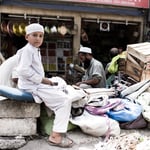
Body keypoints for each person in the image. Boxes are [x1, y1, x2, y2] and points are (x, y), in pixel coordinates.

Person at [15, 23, 73, 148]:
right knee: (65, 101)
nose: (38, 38)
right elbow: (23, 70)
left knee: (60, 84)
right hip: (32, 86)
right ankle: (55, 137)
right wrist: (44, 81)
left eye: (40, 36)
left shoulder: (33, 49)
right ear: (27, 37)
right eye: (34, 35)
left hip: (35, 83)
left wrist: (46, 81)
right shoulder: (27, 50)